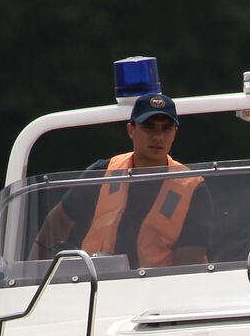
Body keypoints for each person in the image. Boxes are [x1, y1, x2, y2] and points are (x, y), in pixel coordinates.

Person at [31, 92, 212, 267]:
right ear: (131, 130)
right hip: (97, 286)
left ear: (175, 133)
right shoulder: (102, 172)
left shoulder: (192, 187)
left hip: (160, 290)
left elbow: (190, 263)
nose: (158, 136)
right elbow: (56, 223)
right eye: (148, 126)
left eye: (166, 128)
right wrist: (34, 278)